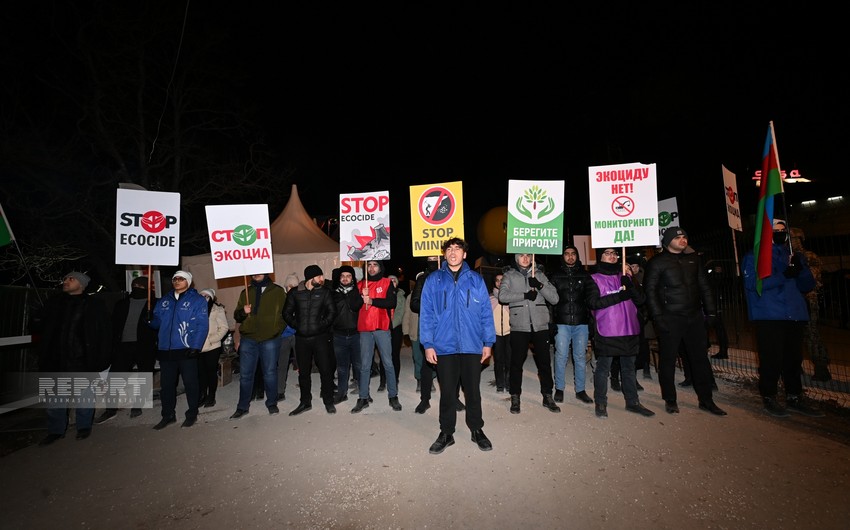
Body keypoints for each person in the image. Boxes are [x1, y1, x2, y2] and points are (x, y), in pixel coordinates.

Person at [419, 237, 496, 454]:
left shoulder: (476, 280)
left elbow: (485, 314)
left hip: (472, 345)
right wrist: (428, 344)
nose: (453, 252)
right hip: (444, 346)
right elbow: (426, 314)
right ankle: (446, 432)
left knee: (473, 391)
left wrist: (488, 342)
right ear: (444, 255)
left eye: (458, 249)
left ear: (464, 254)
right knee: (448, 393)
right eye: (449, 249)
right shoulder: (433, 280)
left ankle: (476, 429)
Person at [742, 219, 824, 417]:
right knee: (772, 359)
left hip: (794, 314)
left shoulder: (793, 255)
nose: (780, 233)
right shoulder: (755, 257)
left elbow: (807, 286)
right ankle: (769, 396)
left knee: (794, 360)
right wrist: (784, 274)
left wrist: (800, 269)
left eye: (783, 230)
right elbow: (755, 284)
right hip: (770, 314)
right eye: (775, 230)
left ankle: (794, 396)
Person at [644, 228, 726, 416]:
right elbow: (651, 292)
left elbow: (704, 287)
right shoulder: (657, 263)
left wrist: (711, 312)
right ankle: (670, 399)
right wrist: (658, 318)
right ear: (667, 241)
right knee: (668, 360)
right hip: (670, 318)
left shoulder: (693, 260)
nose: (683, 240)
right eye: (678, 237)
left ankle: (706, 400)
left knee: (700, 360)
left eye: (684, 237)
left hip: (694, 317)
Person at [37, 271, 111, 445]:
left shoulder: (95, 305)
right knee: (55, 399)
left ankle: (84, 426)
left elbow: (104, 333)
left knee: (85, 397)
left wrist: (102, 359)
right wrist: (39, 317)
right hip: (56, 361)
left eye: (71, 279)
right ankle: (55, 430)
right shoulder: (55, 304)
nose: (66, 281)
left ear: (82, 284)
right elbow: (39, 326)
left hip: (82, 361)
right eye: (65, 278)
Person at [586, 248, 655, 418]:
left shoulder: (626, 276)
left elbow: (641, 300)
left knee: (629, 368)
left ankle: (633, 402)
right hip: (608, 330)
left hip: (629, 329)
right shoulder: (593, 278)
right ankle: (601, 402)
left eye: (615, 253)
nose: (612, 256)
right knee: (603, 369)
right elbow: (593, 303)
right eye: (607, 253)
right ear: (600, 256)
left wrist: (629, 283)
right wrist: (619, 296)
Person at [498, 253, 560, 414]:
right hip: (520, 325)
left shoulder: (539, 274)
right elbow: (503, 296)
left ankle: (547, 395)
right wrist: (524, 296)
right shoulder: (509, 275)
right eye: (521, 256)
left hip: (540, 325)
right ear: (516, 258)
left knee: (544, 363)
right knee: (516, 364)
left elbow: (554, 299)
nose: (525, 258)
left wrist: (540, 286)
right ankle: (515, 396)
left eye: (528, 256)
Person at [148, 270, 209, 429]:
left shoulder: (197, 300)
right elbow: (157, 324)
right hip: (166, 350)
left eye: (181, 278)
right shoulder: (164, 301)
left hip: (186, 348)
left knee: (190, 383)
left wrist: (196, 346)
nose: (177, 281)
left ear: (188, 282)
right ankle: (168, 415)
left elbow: (202, 325)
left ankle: (192, 413)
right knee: (167, 386)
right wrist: (150, 320)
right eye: (175, 278)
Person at [95, 275, 157, 424]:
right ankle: (110, 409)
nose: (137, 288)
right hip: (123, 346)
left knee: (144, 376)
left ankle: (138, 404)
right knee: (115, 377)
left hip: (145, 345)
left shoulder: (154, 304)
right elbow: (114, 325)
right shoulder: (121, 304)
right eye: (135, 285)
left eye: (141, 286)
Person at [230, 273, 287, 419]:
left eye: (259, 271)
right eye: (254, 272)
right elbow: (237, 316)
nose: (256, 274)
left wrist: (276, 330)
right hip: (249, 338)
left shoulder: (277, 291)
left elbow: (285, 314)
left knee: (270, 372)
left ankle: (272, 403)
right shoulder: (246, 292)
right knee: (246, 374)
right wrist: (243, 311)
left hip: (270, 338)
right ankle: (242, 406)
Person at [282, 264, 338, 415]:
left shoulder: (325, 292)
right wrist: (297, 326)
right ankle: (305, 402)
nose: (322, 279)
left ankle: (328, 401)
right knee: (303, 372)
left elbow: (332, 313)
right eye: (319, 277)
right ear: (311, 278)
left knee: (326, 370)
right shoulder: (295, 293)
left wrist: (321, 326)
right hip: (301, 339)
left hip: (320, 338)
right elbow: (286, 313)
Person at [351, 260, 401, 413]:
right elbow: (353, 305)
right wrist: (361, 296)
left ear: (380, 267)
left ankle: (393, 395)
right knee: (365, 365)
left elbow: (391, 303)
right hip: (365, 329)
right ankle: (363, 397)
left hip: (382, 327)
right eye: (369, 265)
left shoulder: (387, 283)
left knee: (388, 362)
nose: (372, 268)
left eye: (375, 265)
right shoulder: (360, 284)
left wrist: (372, 300)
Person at [549, 245, 594, 405]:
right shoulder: (555, 275)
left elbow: (591, 299)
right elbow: (550, 302)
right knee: (561, 356)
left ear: (577, 256)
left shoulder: (585, 275)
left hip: (581, 323)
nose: (570, 257)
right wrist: (551, 322)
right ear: (563, 257)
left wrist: (592, 320)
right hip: (562, 322)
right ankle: (559, 388)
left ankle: (580, 390)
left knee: (580, 357)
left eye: (573, 254)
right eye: (567, 254)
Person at [331, 265, 361, 404]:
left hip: (356, 335)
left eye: (348, 276)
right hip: (339, 335)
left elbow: (355, 306)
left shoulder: (358, 292)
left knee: (359, 365)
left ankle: (363, 392)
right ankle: (342, 393)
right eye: (342, 276)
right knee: (342, 367)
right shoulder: (333, 293)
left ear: (352, 278)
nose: (345, 278)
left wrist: (358, 295)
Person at [197, 288, 229, 408]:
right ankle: (202, 395)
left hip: (212, 346)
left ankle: (211, 396)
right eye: (202, 295)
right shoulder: (194, 309)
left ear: (211, 298)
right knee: (200, 373)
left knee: (211, 372)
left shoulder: (217, 309)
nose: (204, 297)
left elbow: (224, 327)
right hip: (198, 346)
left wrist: (212, 339)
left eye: (206, 296)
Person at [277, 273, 301, 401]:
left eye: (293, 286)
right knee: (282, 364)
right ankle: (280, 390)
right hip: (284, 336)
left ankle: (303, 385)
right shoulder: (281, 300)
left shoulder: (300, 299)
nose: (290, 288)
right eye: (288, 286)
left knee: (301, 362)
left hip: (298, 336)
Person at [489, 272, 511, 393]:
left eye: (502, 280)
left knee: (510, 359)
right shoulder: (490, 298)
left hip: (509, 333)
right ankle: (500, 384)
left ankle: (508, 383)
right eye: (497, 280)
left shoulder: (511, 297)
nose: (500, 282)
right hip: (496, 334)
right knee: (498, 360)